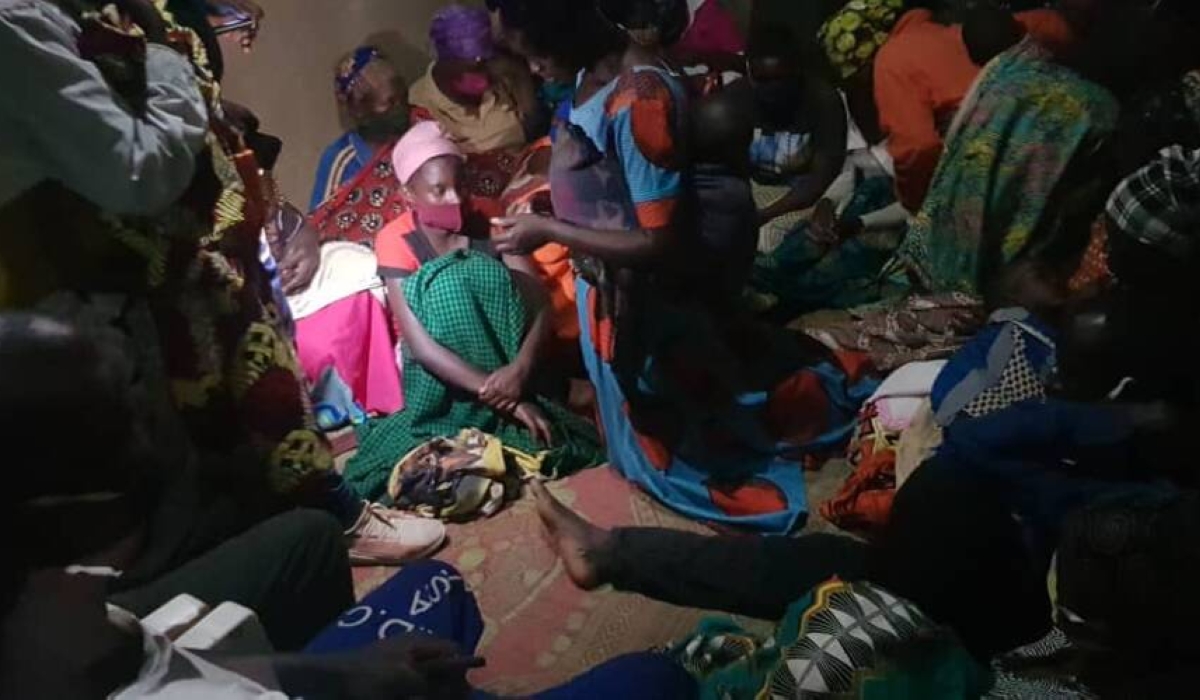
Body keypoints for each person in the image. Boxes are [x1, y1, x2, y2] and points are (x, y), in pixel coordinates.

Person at [0, 0, 444, 565]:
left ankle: (314, 525)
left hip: (188, 261)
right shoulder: (16, 24)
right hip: (130, 283)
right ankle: (291, 557)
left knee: (255, 406)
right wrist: (168, 56)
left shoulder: (83, 12)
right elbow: (137, 168)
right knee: (195, 465)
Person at [496, 0, 878, 534]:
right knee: (640, 414)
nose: (534, 71)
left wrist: (552, 231)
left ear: (567, 32)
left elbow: (660, 239)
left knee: (682, 422)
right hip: (601, 268)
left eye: (535, 56)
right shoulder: (593, 72)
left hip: (635, 280)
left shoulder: (641, 96)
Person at [342, 121, 604, 501]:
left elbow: (537, 302)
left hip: (513, 364)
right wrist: (503, 397)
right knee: (450, 285)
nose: (455, 199)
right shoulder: (396, 240)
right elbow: (421, 345)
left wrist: (519, 372)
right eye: (438, 190)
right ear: (407, 194)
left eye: (460, 185)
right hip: (448, 381)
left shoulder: (489, 216)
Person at [873, 0, 1075, 213]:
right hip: (1070, 155)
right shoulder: (1028, 25)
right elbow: (1060, 28)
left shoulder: (893, 59)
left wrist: (917, 206)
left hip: (1005, 188)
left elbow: (917, 147)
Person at [744, 25, 847, 228]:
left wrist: (765, 215)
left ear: (797, 71)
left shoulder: (823, 101)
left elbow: (820, 179)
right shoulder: (738, 99)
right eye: (762, 80)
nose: (770, 90)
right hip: (753, 189)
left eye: (779, 80)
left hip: (800, 195)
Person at [409, 4, 537, 154]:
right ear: (445, 63)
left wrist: (521, 81)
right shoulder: (421, 105)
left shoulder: (501, 69)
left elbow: (533, 123)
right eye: (476, 68)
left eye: (487, 61)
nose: (486, 75)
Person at [309, 45, 411, 210]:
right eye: (389, 103)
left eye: (403, 98)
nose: (401, 109)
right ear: (359, 110)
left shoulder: (420, 128)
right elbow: (322, 223)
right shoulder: (342, 161)